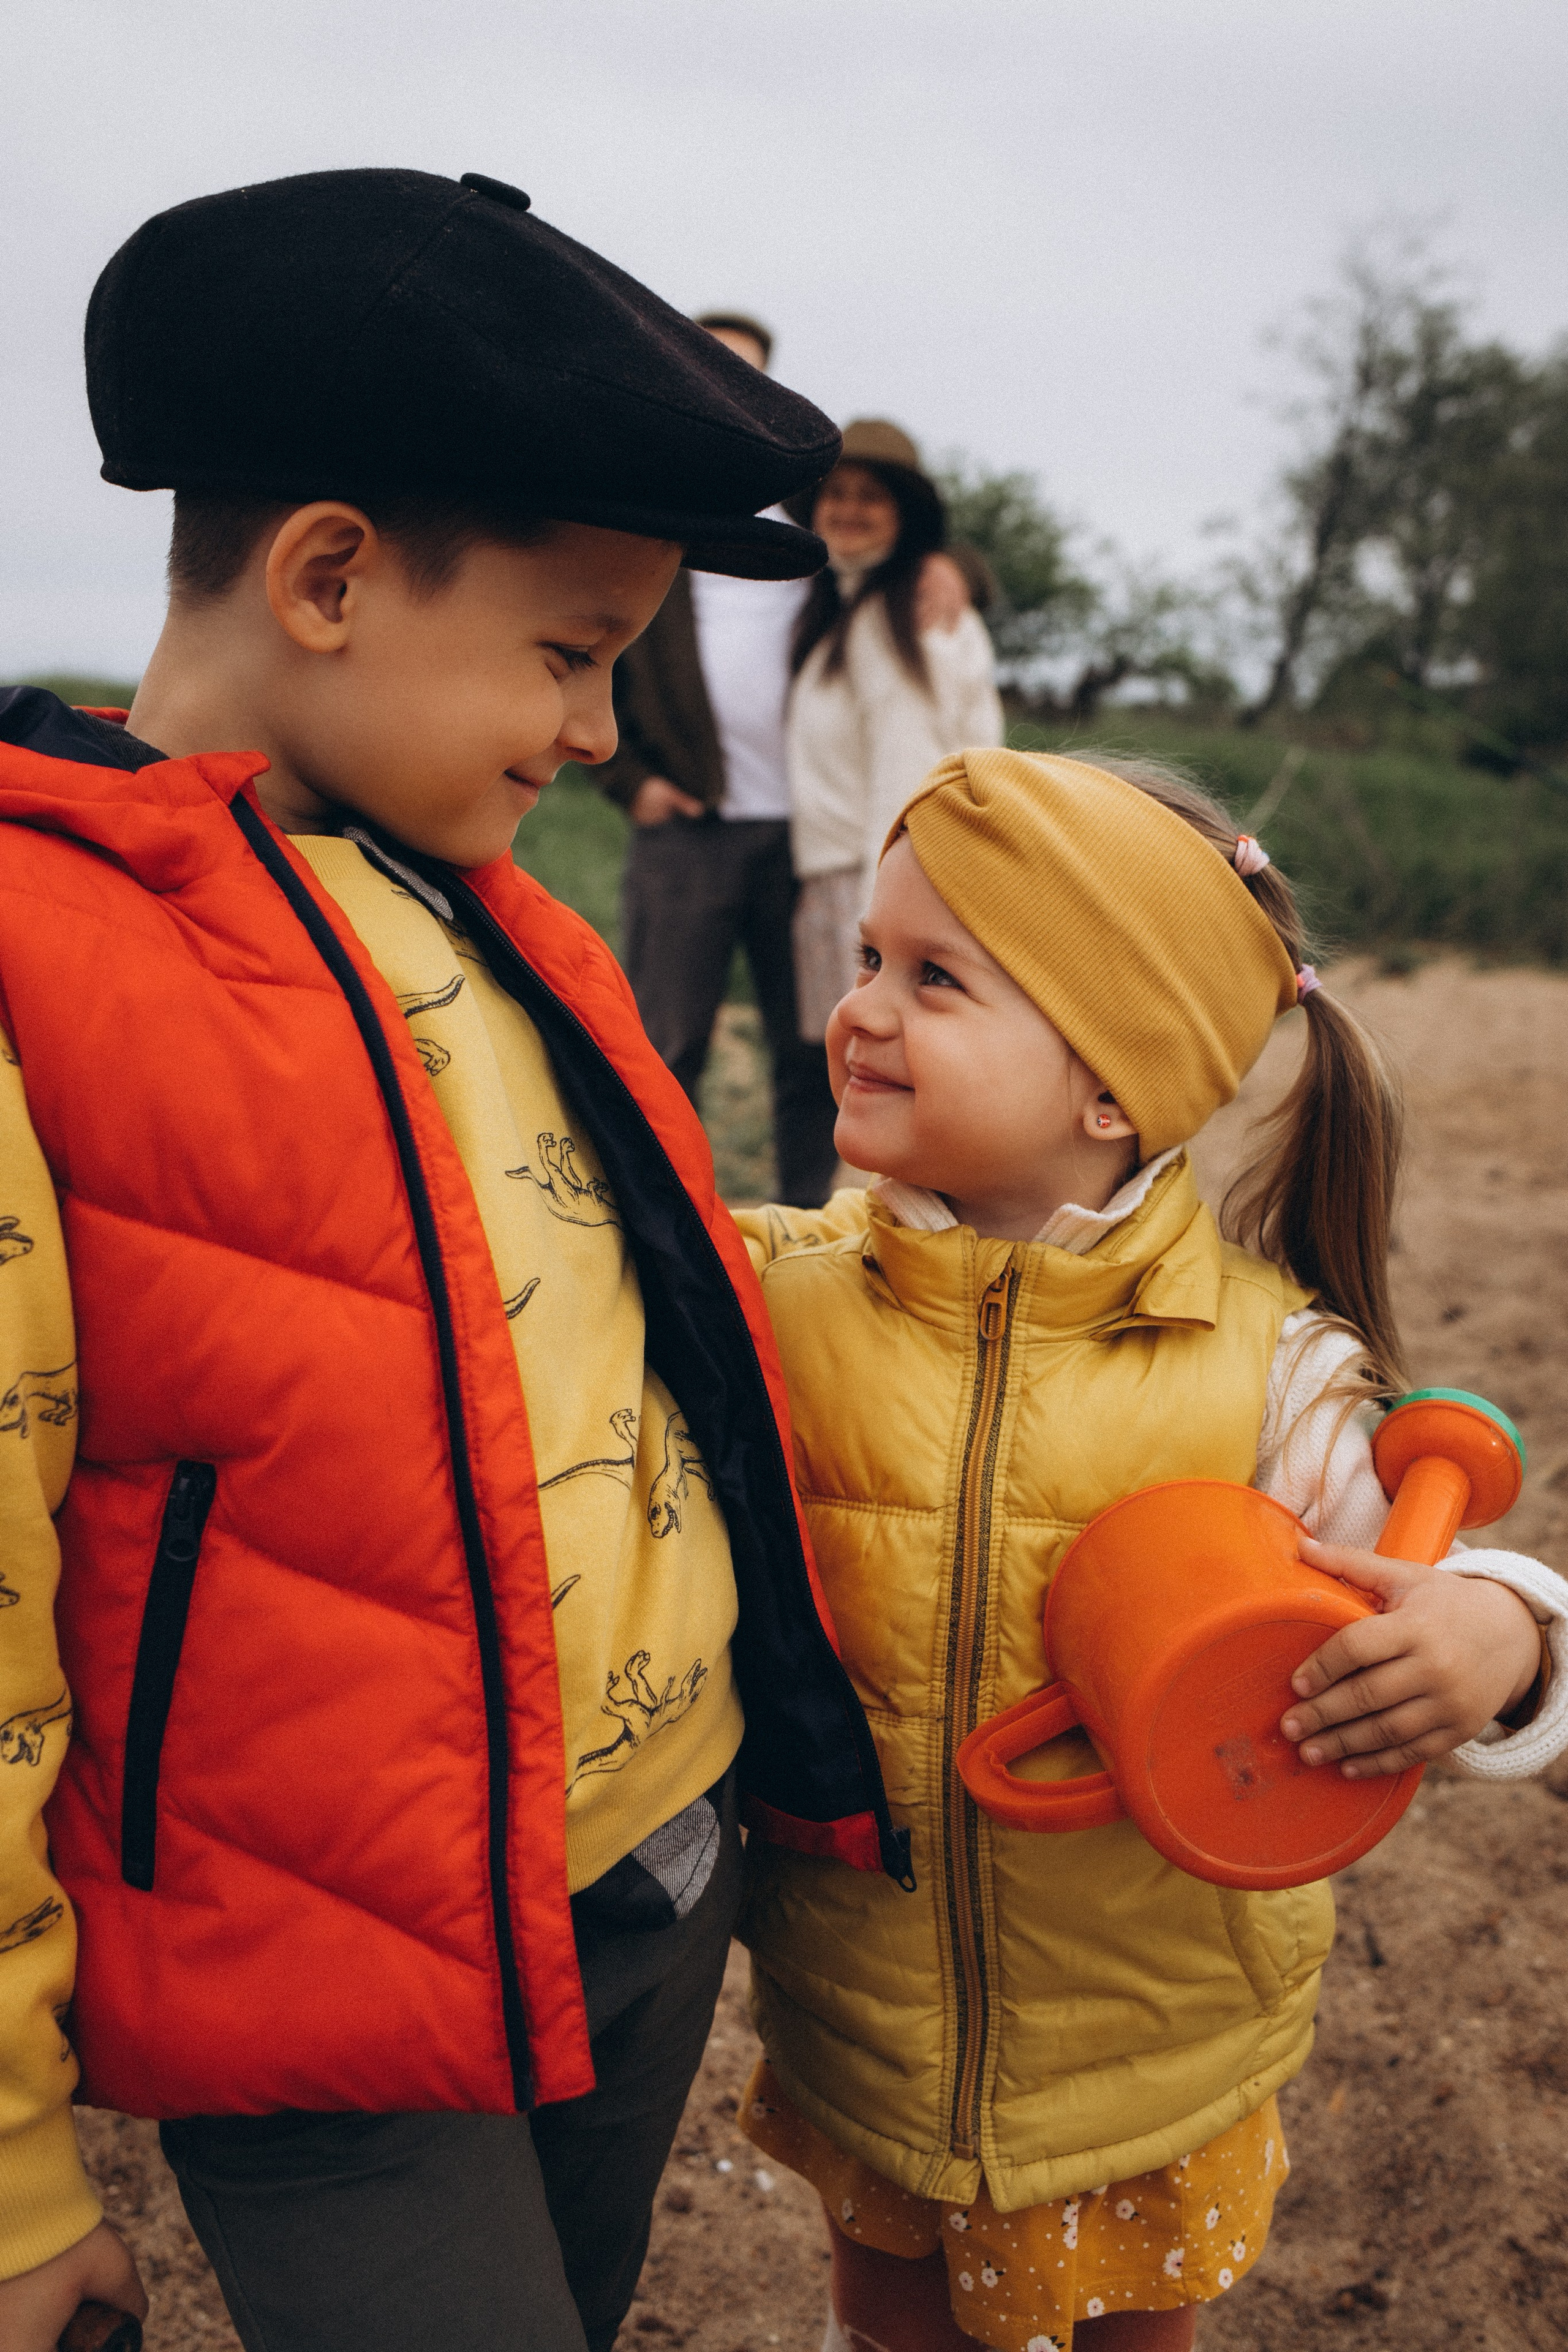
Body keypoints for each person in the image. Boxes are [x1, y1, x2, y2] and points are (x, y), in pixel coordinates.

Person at [0, 168, 910, 2352]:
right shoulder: (39, 965)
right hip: (316, 1976)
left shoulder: (514, 928)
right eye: (571, 653)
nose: (602, 730)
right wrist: (18, 2174)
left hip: (653, 1881)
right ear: (325, 575)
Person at [728, 747, 1568, 2352]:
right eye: (867, 962)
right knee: (886, 2319)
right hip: (869, 2022)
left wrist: (1501, 1640)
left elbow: (1401, 1600)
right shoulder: (787, 1296)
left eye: (937, 979)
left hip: (1152, 2042)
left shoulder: (1264, 1366)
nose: (863, 1010)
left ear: (1110, 1088)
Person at [598, 325, 971, 1207]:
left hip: (808, 842)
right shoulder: (639, 516)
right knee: (664, 1040)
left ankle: (804, 1219)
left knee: (819, 1046)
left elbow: (899, 550)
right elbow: (586, 645)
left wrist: (959, 567)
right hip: (690, 827)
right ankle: (653, 1225)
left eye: (744, 375)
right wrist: (628, 784)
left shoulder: (811, 517)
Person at [785, 420, 1005, 1043]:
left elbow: (906, 779)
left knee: (881, 1072)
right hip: (848, 879)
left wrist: (875, 933)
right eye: (837, 493)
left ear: (903, 514)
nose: (848, 510)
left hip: (876, 884)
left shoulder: (902, 614)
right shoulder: (852, 607)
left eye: (870, 496)